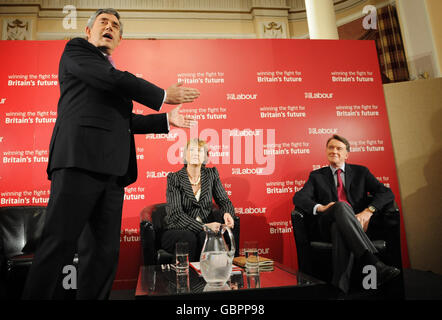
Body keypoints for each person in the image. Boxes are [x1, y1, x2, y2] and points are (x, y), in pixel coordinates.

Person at [23, 8, 199, 300]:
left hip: (114, 173)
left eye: (115, 25)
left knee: (103, 256)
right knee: (57, 247)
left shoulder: (112, 75)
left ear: (119, 39)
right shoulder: (77, 52)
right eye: (103, 22)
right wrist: (163, 96)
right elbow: (114, 79)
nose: (110, 27)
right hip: (78, 164)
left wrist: (167, 120)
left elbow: (122, 122)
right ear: (88, 31)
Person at [292, 134, 400, 293]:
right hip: (325, 226)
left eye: (339, 148)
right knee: (340, 207)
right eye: (331, 147)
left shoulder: (361, 172)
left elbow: (386, 193)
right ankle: (373, 262)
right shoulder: (317, 176)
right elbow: (299, 197)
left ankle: (339, 289)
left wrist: (368, 211)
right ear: (326, 151)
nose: (334, 151)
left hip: (356, 225)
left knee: (339, 228)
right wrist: (320, 207)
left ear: (347, 154)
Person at [163, 139, 235, 261]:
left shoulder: (211, 174)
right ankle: (188, 278)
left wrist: (227, 213)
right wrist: (204, 226)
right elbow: (176, 214)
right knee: (189, 237)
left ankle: (209, 276)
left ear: (206, 157)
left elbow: (224, 201)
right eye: (192, 150)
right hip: (178, 229)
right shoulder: (174, 178)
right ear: (185, 155)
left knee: (206, 237)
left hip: (206, 228)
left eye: (200, 150)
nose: (196, 153)